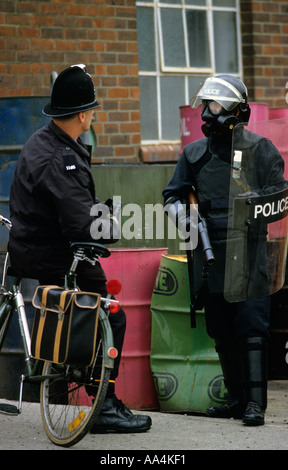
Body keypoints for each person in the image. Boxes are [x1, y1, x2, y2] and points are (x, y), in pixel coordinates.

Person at [8, 64, 151, 434]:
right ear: (84, 114)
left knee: (62, 316)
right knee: (111, 316)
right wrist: (112, 223)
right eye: (92, 109)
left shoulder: (42, 141)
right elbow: (80, 226)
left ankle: (64, 391)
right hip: (56, 253)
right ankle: (104, 406)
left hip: (32, 248)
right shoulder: (63, 159)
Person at [163, 75, 287, 426]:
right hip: (209, 253)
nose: (206, 112)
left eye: (214, 105)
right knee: (221, 326)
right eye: (205, 104)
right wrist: (184, 216)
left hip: (249, 254)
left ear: (234, 110)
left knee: (251, 325)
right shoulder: (194, 153)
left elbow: (281, 197)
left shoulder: (261, 149)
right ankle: (235, 399)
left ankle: (255, 405)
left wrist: (255, 204)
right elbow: (171, 195)